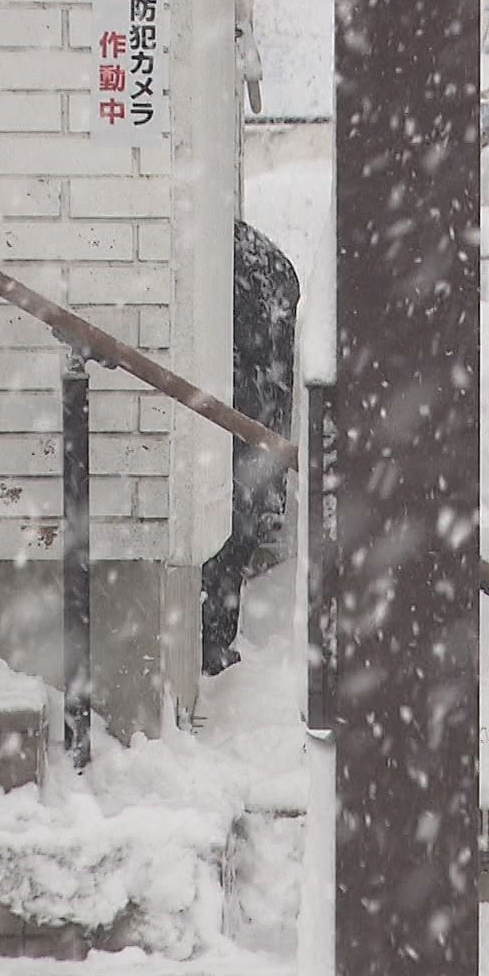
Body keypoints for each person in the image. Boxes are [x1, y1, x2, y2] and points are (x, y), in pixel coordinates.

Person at [202, 220, 298, 674]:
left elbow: (273, 366)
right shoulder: (261, 264)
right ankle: (215, 642)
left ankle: (214, 643)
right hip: (246, 411)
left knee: (234, 522)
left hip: (238, 406)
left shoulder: (243, 264)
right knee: (238, 520)